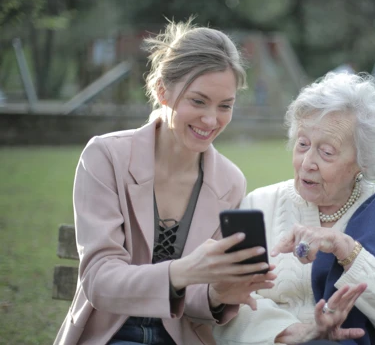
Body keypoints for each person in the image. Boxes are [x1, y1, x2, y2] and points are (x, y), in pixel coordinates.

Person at [54, 19, 277, 345]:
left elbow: (197, 301)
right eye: (198, 101)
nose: (211, 120)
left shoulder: (230, 182)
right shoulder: (106, 157)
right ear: (162, 91)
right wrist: (183, 271)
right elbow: (99, 281)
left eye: (225, 106)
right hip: (110, 334)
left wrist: (219, 292)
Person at [213, 72, 375, 344]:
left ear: (363, 161)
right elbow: (226, 302)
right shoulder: (259, 204)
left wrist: (346, 249)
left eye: (327, 152)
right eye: (302, 144)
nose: (307, 162)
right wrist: (291, 332)